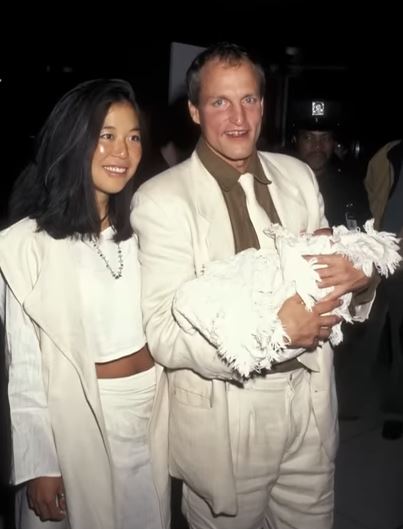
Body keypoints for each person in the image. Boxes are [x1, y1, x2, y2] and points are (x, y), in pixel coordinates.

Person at [131, 42, 374, 529]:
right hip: (227, 413)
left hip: (310, 399)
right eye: (220, 102)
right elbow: (162, 331)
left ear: (264, 104)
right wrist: (273, 334)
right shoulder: (161, 199)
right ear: (195, 110)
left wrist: (360, 281)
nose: (238, 117)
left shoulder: (299, 176)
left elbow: (333, 274)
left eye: (250, 99)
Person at [0, 79, 169, 529]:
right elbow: (26, 368)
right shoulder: (25, 246)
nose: (123, 151)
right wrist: (40, 463)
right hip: (79, 423)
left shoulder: (148, 230)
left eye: (133, 137)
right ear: (73, 139)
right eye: (106, 135)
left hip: (151, 417)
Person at [365, 139, 403, 439]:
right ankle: (388, 411)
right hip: (381, 261)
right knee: (366, 332)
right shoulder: (388, 153)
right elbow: (368, 190)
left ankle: (395, 411)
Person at [289, 98, 370, 228]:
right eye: (308, 137)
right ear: (295, 140)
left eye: (325, 138)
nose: (317, 146)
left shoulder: (351, 188)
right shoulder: (280, 182)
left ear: (334, 143)